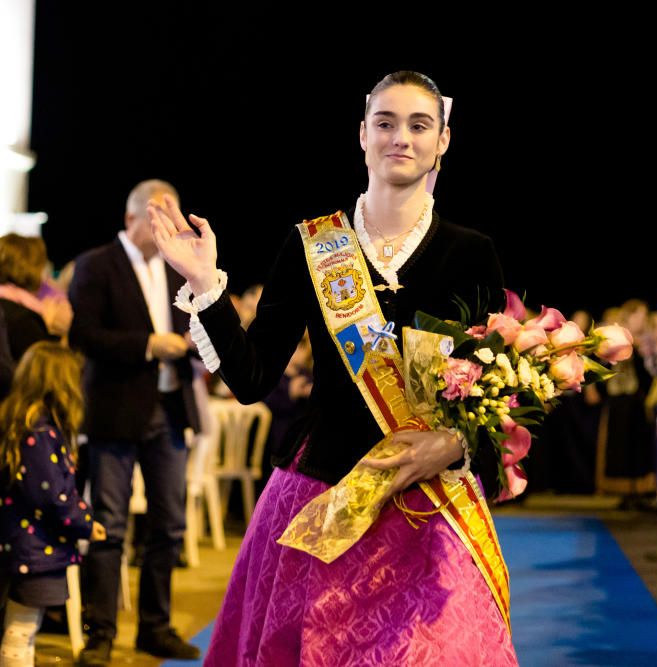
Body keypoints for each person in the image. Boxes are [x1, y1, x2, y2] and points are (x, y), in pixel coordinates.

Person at [149, 71, 517, 665]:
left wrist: (449, 445)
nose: (402, 137)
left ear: (443, 140)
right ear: (362, 134)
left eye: (419, 125)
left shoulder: (473, 252)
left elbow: (495, 387)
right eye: (386, 123)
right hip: (317, 494)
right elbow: (252, 379)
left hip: (431, 506)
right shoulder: (312, 245)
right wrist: (203, 286)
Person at [68, 179, 203, 665]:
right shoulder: (96, 263)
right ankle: (100, 631)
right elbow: (82, 334)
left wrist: (195, 342)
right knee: (109, 525)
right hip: (115, 411)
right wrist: (148, 346)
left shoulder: (174, 268)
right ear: (136, 217)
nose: (177, 225)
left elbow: (189, 322)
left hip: (168, 410)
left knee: (168, 526)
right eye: (168, 215)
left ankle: (155, 627)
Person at [0, 342, 106, 667]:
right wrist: (86, 523)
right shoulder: (39, 434)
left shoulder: (25, 426)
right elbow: (53, 497)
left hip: (28, 546)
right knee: (21, 630)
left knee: (22, 628)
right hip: (34, 549)